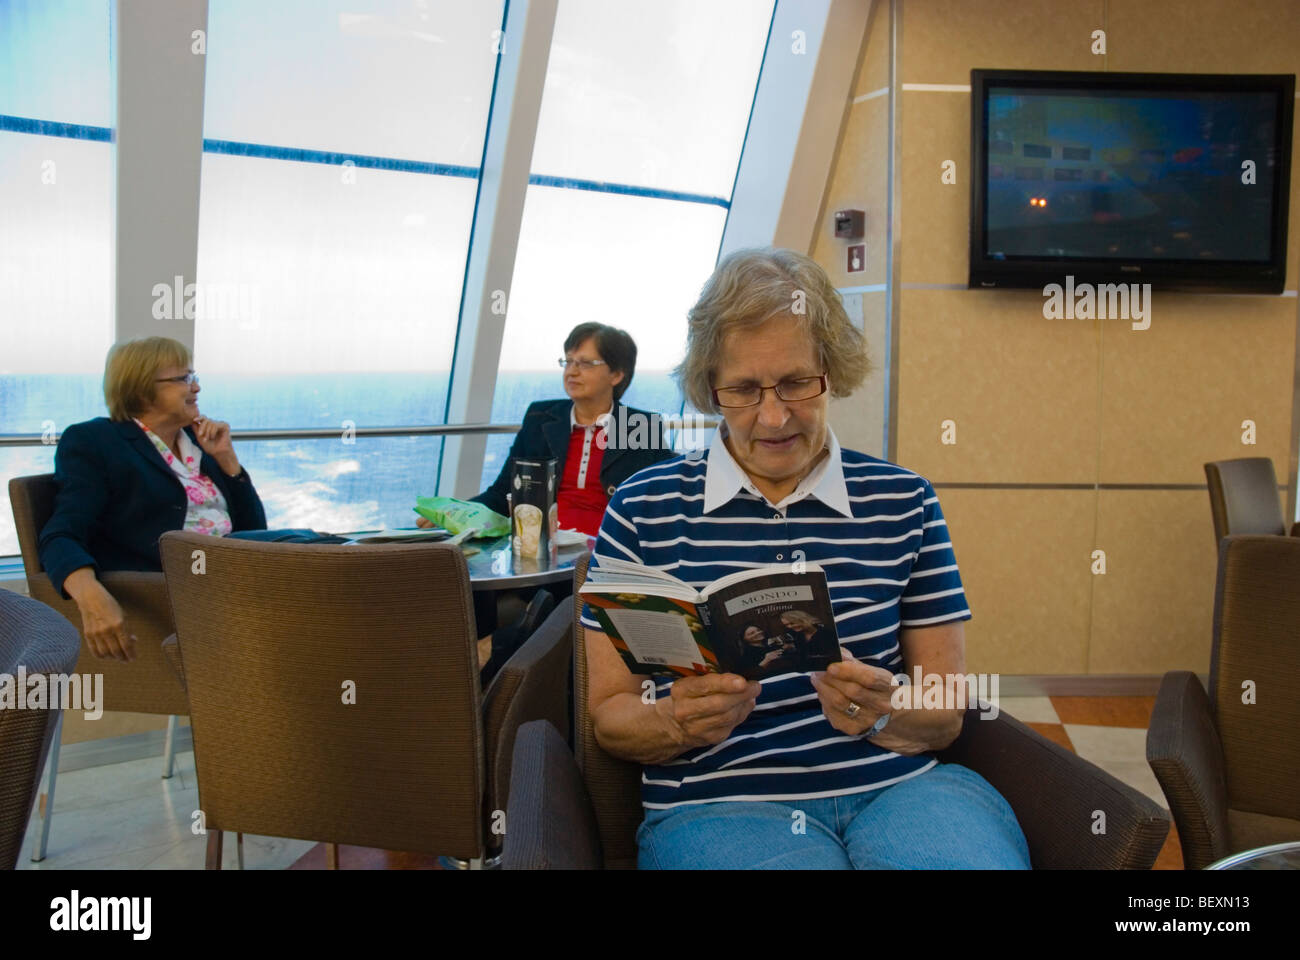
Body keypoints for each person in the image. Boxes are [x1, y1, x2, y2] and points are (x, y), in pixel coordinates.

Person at [581, 248, 1031, 869]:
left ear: (832, 371)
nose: (773, 415)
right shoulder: (643, 508)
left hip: (903, 789)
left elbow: (945, 711)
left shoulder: (905, 500)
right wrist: (677, 721)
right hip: (720, 803)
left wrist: (884, 710)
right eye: (742, 390)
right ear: (710, 390)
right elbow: (610, 716)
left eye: (796, 382)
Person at [422, 322, 675, 680]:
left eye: (586, 363)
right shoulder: (543, 417)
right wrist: (453, 513)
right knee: (461, 571)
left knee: (561, 597)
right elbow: (501, 494)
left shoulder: (639, 426)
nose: (572, 371)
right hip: (540, 548)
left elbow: (664, 502)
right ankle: (476, 662)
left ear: (617, 374)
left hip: (603, 553)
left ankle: (491, 656)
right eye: (568, 360)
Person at [38, 336, 268, 663]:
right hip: (183, 593)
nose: (197, 387)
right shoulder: (96, 441)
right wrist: (92, 599)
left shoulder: (197, 442)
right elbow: (60, 535)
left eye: (194, 377)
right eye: (184, 379)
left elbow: (255, 533)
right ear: (142, 387)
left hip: (238, 572)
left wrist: (228, 462)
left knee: (329, 555)